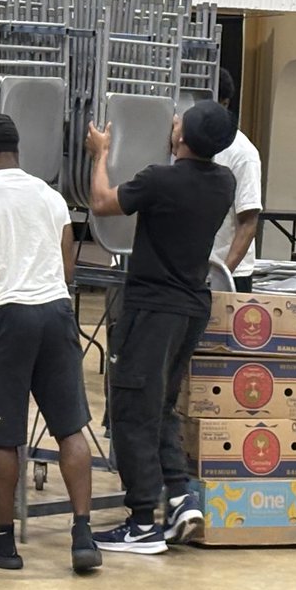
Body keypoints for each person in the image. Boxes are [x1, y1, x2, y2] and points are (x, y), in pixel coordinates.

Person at [0, 114, 101, 574]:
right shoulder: (51, 196)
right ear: (16, 150)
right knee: (69, 427)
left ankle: (4, 543)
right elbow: (68, 266)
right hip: (56, 313)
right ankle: (83, 534)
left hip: (7, 318)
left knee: (4, 435)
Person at [86, 101, 236, 554]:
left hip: (153, 310)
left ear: (183, 137)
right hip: (192, 306)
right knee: (163, 407)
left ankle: (140, 522)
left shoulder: (160, 178)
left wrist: (100, 153)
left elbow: (102, 203)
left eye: (178, 122)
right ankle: (181, 497)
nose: (172, 123)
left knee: (133, 411)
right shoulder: (224, 182)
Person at [211, 69, 263, 294]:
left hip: (230, 273)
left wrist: (223, 275)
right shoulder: (185, 143)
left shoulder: (243, 153)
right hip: (190, 274)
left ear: (224, 104)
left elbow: (249, 222)